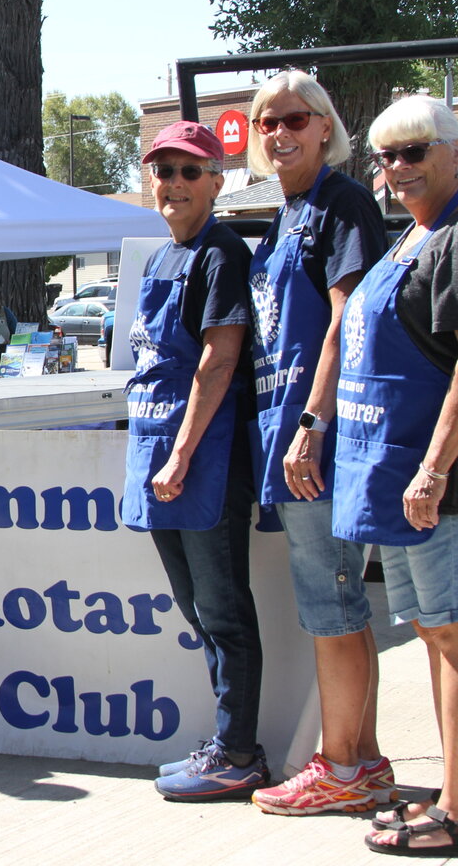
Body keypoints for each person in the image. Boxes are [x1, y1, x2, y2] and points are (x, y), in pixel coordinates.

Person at [337, 97, 458, 859]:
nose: (398, 168)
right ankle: (451, 797)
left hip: (442, 476)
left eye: (414, 152)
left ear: (454, 151)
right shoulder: (416, 235)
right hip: (398, 477)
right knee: (436, 634)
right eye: (385, 157)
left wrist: (434, 469)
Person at [239, 72, 397, 816]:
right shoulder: (285, 215)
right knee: (337, 605)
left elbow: (348, 322)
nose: (280, 133)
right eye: (266, 122)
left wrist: (312, 423)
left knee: (332, 607)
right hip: (286, 441)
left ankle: (339, 765)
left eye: (295, 120)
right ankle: (359, 761)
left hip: (318, 443)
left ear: (326, 127)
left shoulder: (343, 204)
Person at [122, 121, 267, 801]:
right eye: (163, 170)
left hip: (203, 461)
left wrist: (180, 454)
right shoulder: (157, 259)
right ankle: (223, 744)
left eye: (188, 171)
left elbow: (221, 357)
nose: (173, 183)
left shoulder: (221, 254)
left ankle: (239, 751)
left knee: (224, 610)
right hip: (156, 457)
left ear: (216, 180)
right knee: (195, 611)